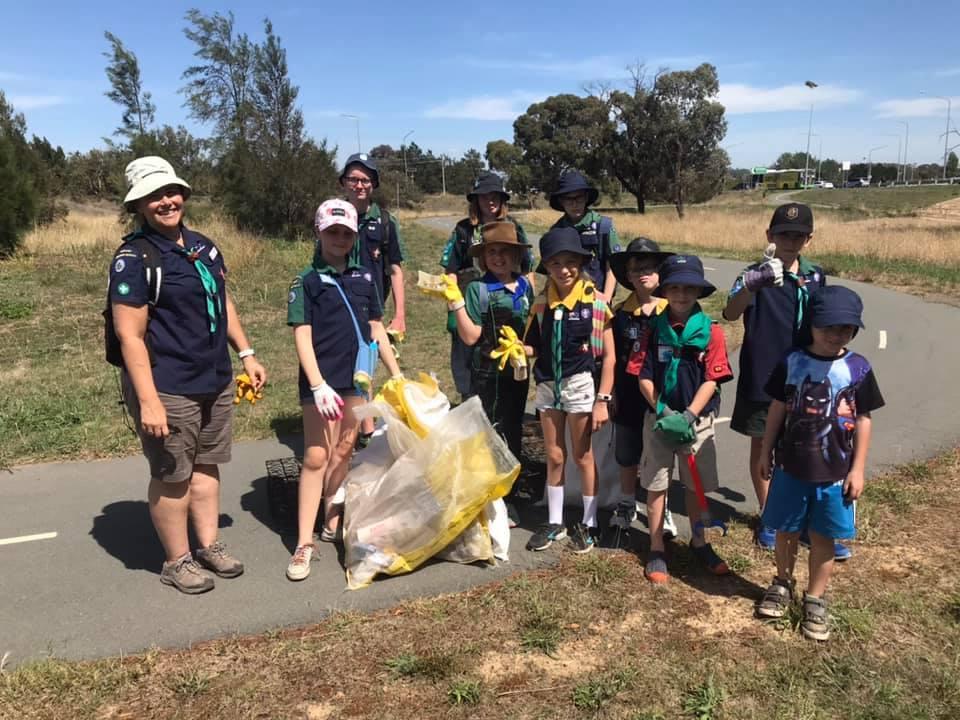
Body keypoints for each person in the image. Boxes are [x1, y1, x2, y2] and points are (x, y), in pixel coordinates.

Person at [109, 156, 267, 594]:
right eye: (155, 195)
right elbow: (131, 337)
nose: (167, 201)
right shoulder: (134, 259)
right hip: (168, 384)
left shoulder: (204, 247)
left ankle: (208, 545)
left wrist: (247, 354)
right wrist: (150, 400)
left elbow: (224, 301)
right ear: (139, 204)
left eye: (172, 191)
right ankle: (176, 561)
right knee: (173, 474)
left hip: (213, 378)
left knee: (206, 465)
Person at [755, 286, 883, 641]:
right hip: (790, 469)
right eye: (828, 326)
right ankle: (782, 582)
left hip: (835, 475)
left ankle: (815, 598)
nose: (836, 334)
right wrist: (766, 451)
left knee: (824, 539)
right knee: (786, 532)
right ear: (810, 324)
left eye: (845, 328)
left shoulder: (857, 367)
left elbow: (864, 419)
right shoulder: (792, 361)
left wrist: (857, 469)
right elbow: (778, 407)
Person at [285, 199, 402, 581]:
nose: (339, 238)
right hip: (321, 383)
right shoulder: (305, 281)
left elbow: (376, 329)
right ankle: (304, 542)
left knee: (345, 449)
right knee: (317, 456)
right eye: (332, 231)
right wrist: (317, 385)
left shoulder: (366, 278)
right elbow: (302, 335)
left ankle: (331, 518)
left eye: (346, 233)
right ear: (319, 233)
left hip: (357, 380)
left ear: (354, 236)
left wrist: (395, 373)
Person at [721, 203, 845, 559]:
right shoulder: (753, 273)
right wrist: (753, 284)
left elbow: (828, 321)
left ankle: (804, 521)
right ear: (769, 236)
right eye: (783, 234)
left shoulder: (816, 275)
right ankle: (770, 517)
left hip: (809, 378)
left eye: (799, 235)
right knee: (763, 447)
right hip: (764, 374)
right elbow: (730, 312)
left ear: (809, 239)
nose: (790, 241)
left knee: (805, 447)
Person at [638, 255, 733, 583]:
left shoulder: (712, 332)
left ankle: (698, 542)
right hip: (660, 420)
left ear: (699, 291)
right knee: (657, 484)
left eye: (689, 287)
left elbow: (712, 378)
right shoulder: (651, 329)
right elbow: (642, 375)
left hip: (697, 422)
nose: (681, 294)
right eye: (674, 287)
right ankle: (655, 547)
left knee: (695, 487)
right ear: (664, 290)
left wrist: (690, 414)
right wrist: (664, 412)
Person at [522, 227, 615, 553]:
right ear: (546, 266)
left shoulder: (596, 303)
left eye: (570, 261)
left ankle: (590, 523)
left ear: (580, 263)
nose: (564, 269)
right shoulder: (542, 303)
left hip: (579, 386)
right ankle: (555, 522)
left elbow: (610, 359)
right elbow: (532, 345)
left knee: (582, 454)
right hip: (548, 387)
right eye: (555, 263)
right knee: (554, 454)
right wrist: (517, 350)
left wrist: (603, 400)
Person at [442, 221, 535, 526]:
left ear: (516, 256)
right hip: (487, 374)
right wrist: (455, 303)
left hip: (518, 374)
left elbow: (534, 333)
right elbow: (470, 337)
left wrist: (528, 349)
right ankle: (494, 499)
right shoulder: (477, 289)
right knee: (490, 432)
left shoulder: (525, 287)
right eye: (492, 252)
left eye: (505, 252)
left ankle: (510, 490)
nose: (498, 258)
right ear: (483, 257)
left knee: (514, 427)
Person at [604, 238, 677, 548]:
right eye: (636, 270)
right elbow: (613, 357)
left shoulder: (672, 311)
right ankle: (626, 501)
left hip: (663, 395)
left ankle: (663, 506)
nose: (642, 274)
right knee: (627, 452)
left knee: (660, 455)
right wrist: (610, 394)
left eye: (649, 268)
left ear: (660, 272)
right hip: (629, 395)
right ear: (628, 277)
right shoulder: (620, 314)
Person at [440, 171, 533, 400]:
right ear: (475, 200)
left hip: (506, 301)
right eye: (483, 196)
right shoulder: (464, 230)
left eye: (495, 196)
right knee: (467, 355)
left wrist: (530, 307)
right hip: (471, 304)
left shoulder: (513, 228)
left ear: (502, 200)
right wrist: (454, 305)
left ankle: (507, 402)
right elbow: (450, 270)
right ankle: (469, 398)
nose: (489, 201)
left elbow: (527, 269)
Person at [339, 153, 406, 447]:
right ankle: (363, 427)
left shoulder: (385, 221)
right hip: (341, 304)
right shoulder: (336, 216)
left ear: (374, 184)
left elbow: (395, 269)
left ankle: (366, 428)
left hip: (373, 308)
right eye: (353, 179)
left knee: (367, 363)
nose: (359, 185)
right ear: (344, 183)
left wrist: (400, 313)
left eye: (365, 180)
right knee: (353, 365)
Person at [548, 169, 621, 301]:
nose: (574, 204)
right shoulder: (556, 230)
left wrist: (606, 297)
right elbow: (551, 269)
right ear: (561, 201)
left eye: (579, 198)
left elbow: (613, 265)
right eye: (569, 199)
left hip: (597, 298)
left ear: (586, 197)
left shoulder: (603, 226)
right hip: (566, 298)